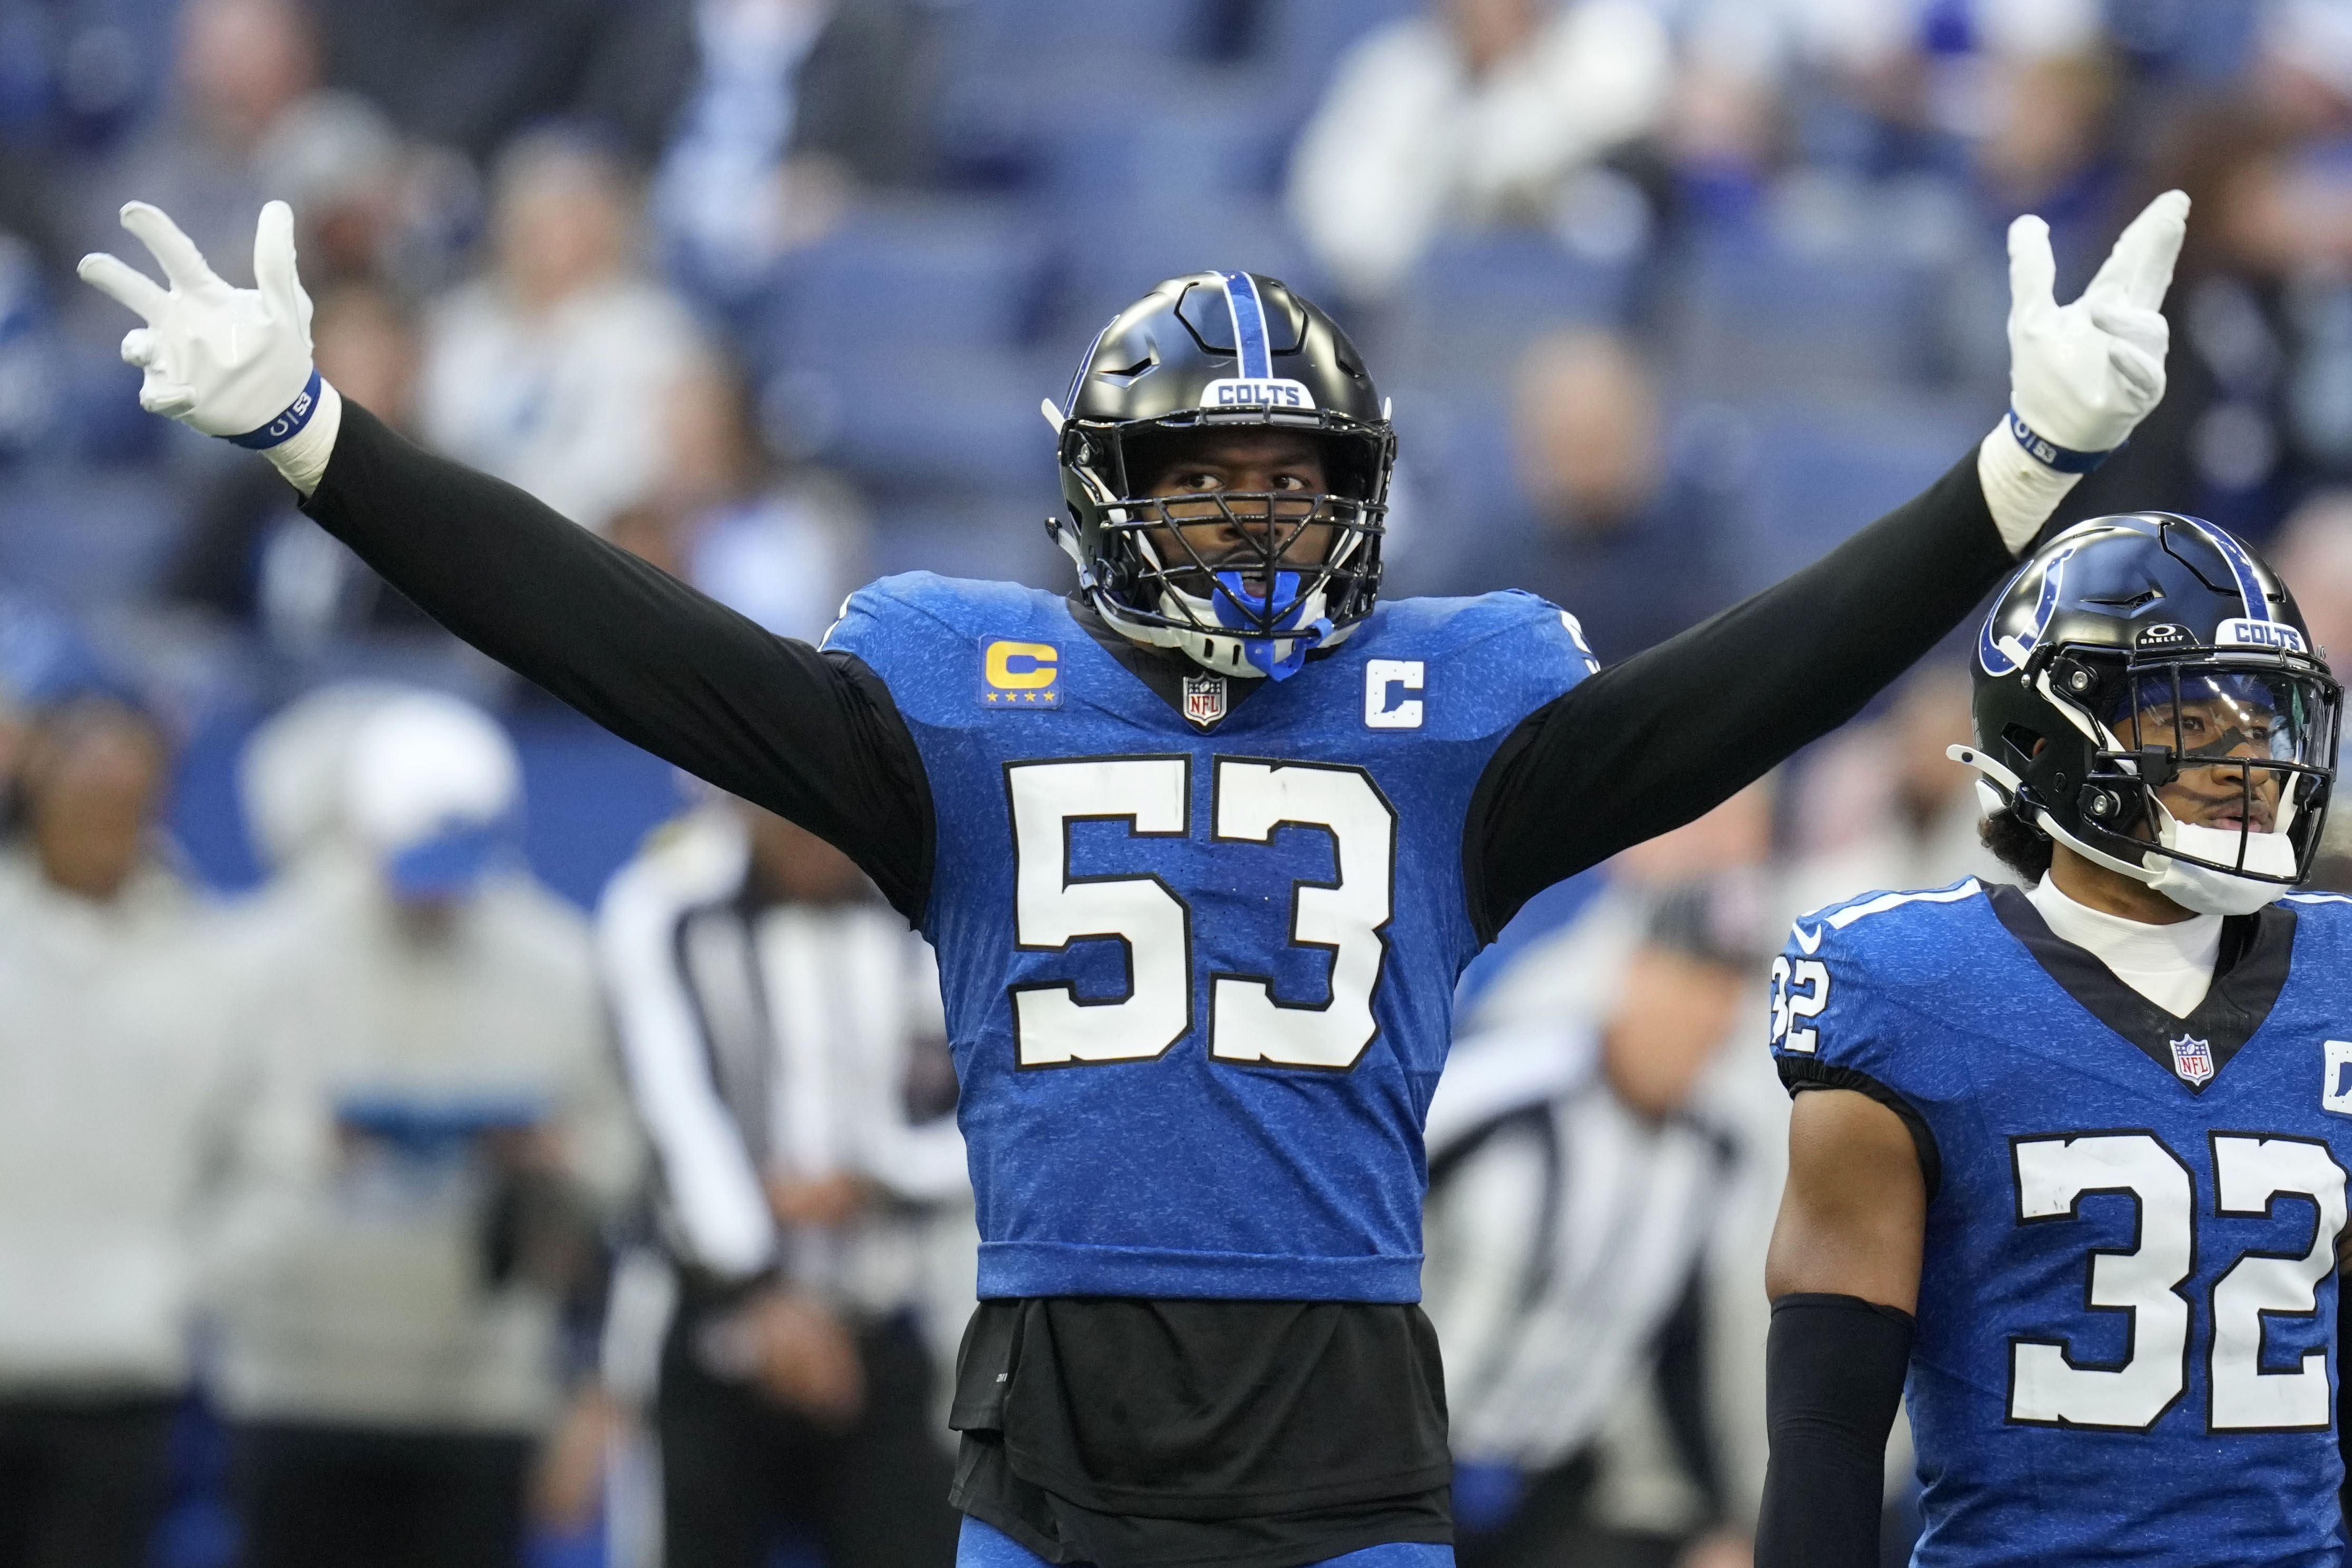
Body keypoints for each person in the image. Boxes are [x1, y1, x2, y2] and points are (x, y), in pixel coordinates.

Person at [80, 182, 2185, 1568]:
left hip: (1344, 1420)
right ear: (1102, 499)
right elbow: (630, 650)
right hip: (1052, 1432)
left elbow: (1743, 692)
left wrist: (2015, 471)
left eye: (1292, 488)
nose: (1254, 529)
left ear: (1364, 502)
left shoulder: (1455, 723)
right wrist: (316, 439)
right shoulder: (958, 698)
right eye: (1202, 487)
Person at [1756, 512, 2352, 1566]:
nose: (2246, 764)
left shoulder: (2337, 978)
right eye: (2189, 721)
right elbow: (1826, 1437)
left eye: (2261, 721)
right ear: (2045, 736)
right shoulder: (1912, 987)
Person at [209, 690, 637, 1568]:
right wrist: (313, 1147)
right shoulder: (260, 960)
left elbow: (625, 1163)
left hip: (479, 1389)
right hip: (293, 1376)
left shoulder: (560, 963)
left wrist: (555, 1156)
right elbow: (205, 1146)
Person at [598, 794, 968, 1568]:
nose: (812, 827)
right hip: (714, 1326)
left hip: (889, 1322)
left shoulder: (932, 908)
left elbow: (995, 1120)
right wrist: (759, 1289)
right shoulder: (666, 904)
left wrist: (875, 1176)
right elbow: (674, 1118)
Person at [0, 693, 314, 1568]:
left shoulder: (223, 966)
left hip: (121, 1378)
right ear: (33, 778)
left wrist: (176, 1285)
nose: (105, 798)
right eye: (82, 770)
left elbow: (282, 1163)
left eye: (127, 778)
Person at [1422, 874, 1771, 1568]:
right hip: (1406, 1454)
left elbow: (1677, 1347)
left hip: (1549, 1480)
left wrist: (1715, 1517)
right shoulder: (1503, 1088)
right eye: (1687, 976)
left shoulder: (1715, 1159)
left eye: (1723, 987)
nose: (1702, 1010)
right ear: (1634, 970)